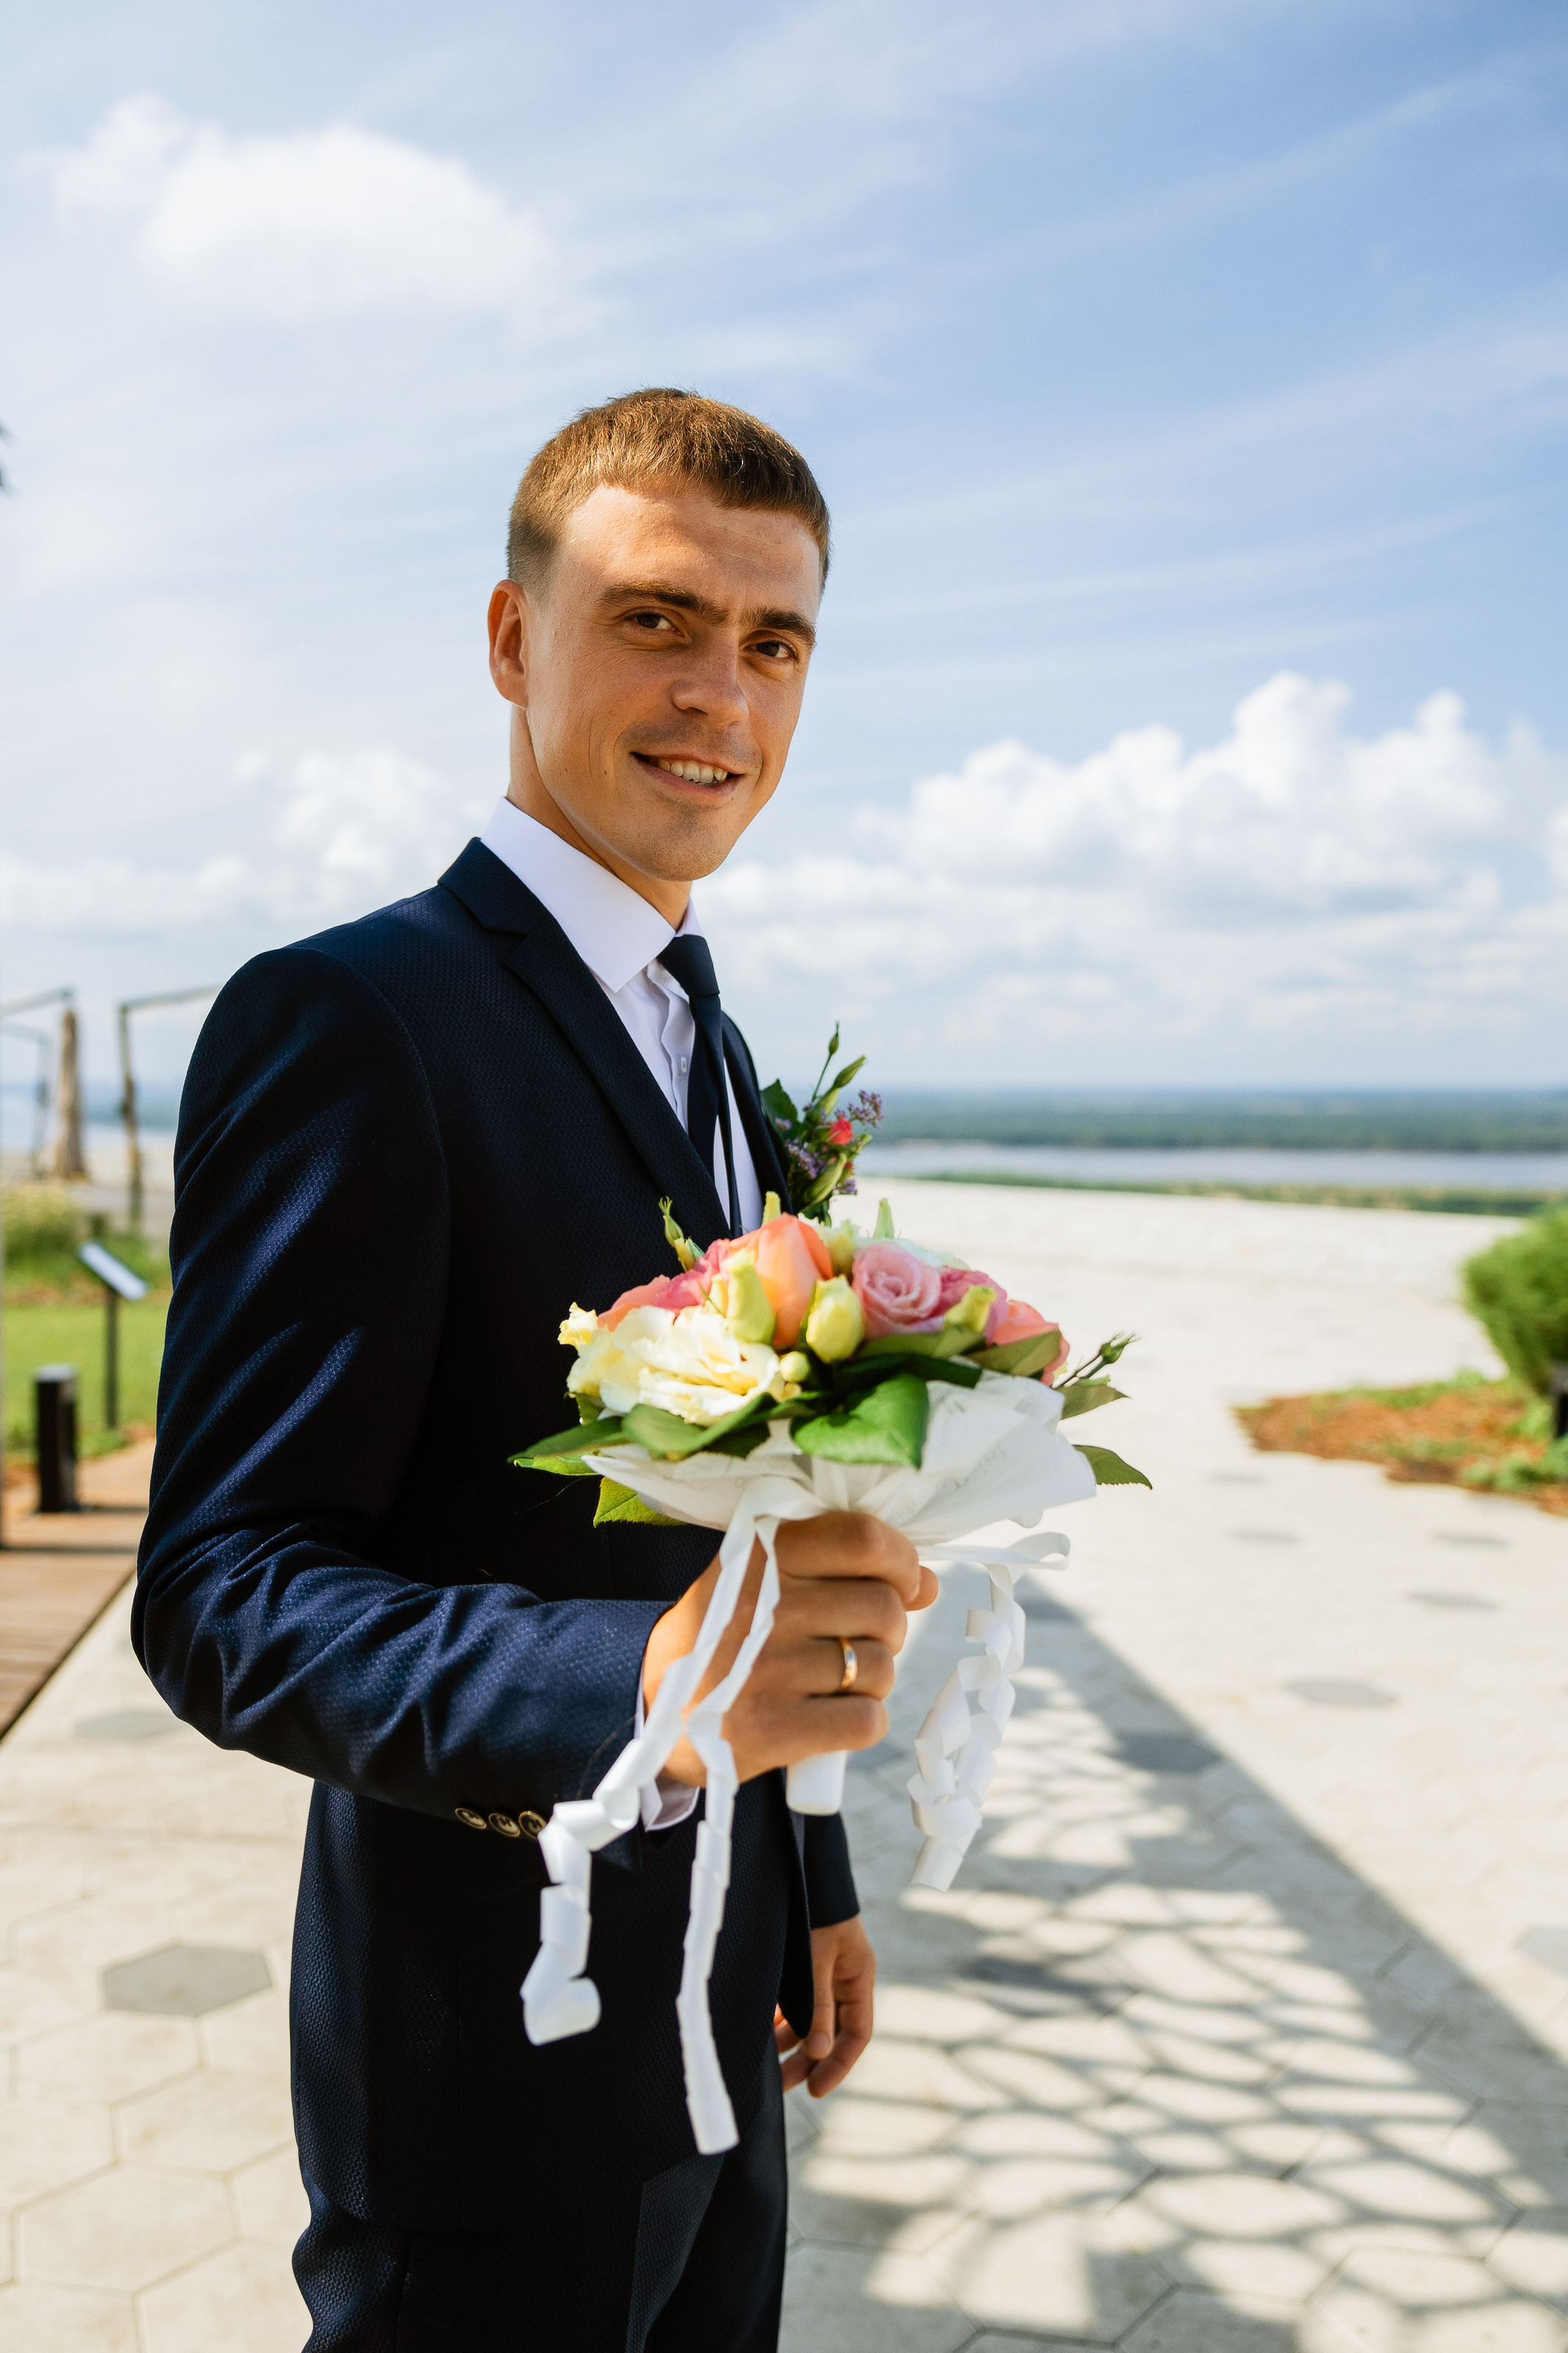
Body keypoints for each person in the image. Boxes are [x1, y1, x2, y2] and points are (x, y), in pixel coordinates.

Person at [136, 388, 937, 2353]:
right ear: (515, 642)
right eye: (657, 619)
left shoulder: (724, 1057)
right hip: (485, 2063)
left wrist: (808, 1862)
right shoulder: (351, 1021)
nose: (719, 696)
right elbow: (223, 1592)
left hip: (719, 2035)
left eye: (775, 643)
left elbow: (759, 1531)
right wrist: (637, 1688)